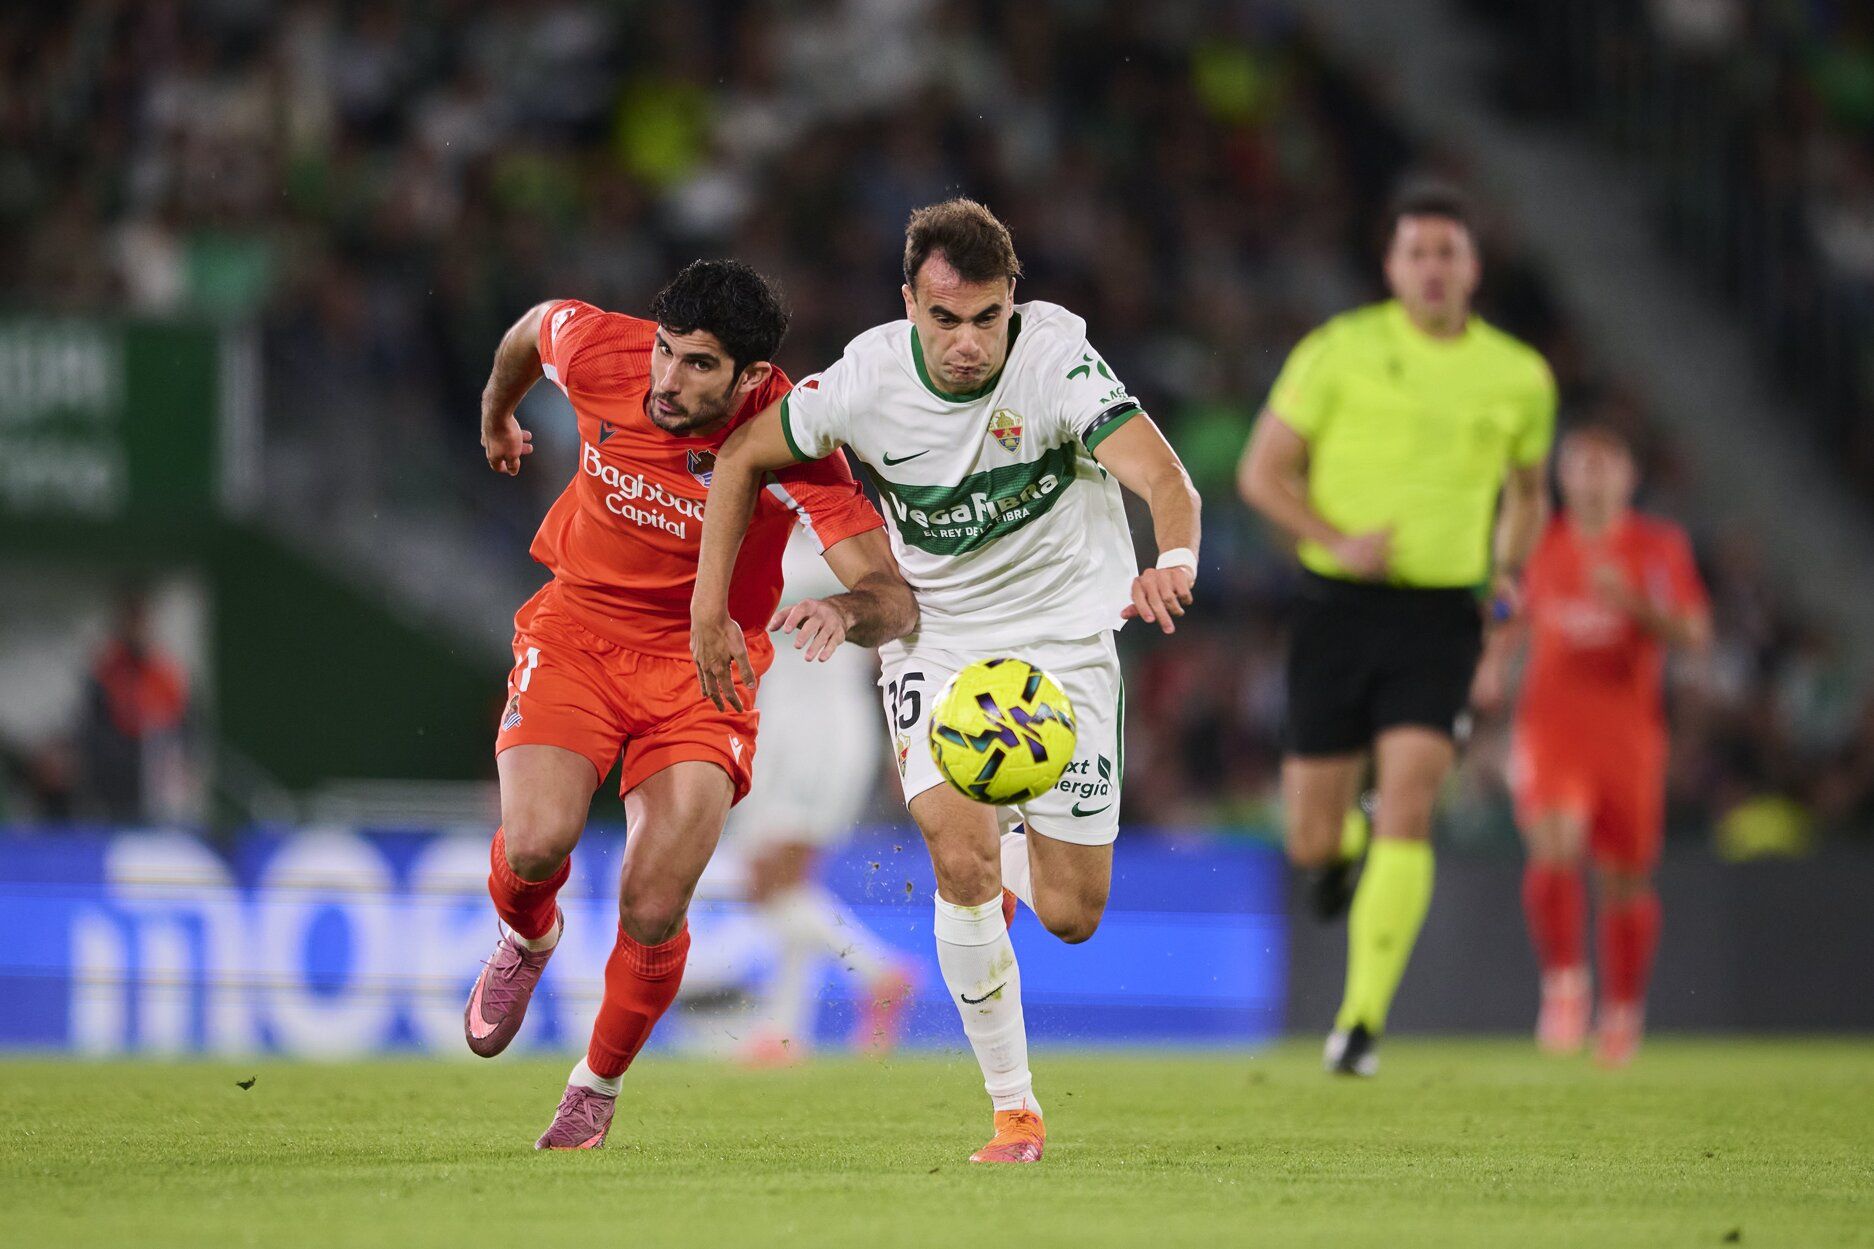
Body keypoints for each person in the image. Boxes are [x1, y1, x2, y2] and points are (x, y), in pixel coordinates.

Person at [691, 198, 1202, 1164]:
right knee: (955, 858)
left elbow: (1165, 476)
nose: (967, 343)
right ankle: (1015, 1111)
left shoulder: (1055, 362)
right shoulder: (868, 377)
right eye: (944, 318)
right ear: (909, 306)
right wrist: (708, 607)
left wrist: (1174, 557)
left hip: (1066, 647)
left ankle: (1017, 872)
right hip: (940, 643)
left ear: (1013, 304)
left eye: (986, 318)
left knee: (1072, 913)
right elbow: (743, 453)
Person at [465, 260, 916, 1149]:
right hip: (578, 634)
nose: (666, 381)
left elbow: (895, 597)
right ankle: (528, 936)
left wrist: (843, 608)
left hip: (701, 676)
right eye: (665, 353)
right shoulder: (606, 351)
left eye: (697, 365)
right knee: (535, 842)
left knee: (654, 901)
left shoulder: (796, 442)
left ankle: (594, 1087)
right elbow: (531, 327)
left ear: (751, 377)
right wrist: (496, 411)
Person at [1238, 183, 1556, 1077]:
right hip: (1339, 606)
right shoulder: (1338, 351)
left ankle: (1361, 1023)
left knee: (1412, 796)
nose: (1431, 268)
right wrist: (1338, 538)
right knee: (1311, 835)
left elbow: (1529, 493)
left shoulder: (1518, 376)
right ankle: (1338, 851)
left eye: (1447, 253)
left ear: (1473, 269)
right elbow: (1264, 474)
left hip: (1442, 614)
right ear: (1391, 267)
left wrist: (1506, 574)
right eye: (1416, 252)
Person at [1473, 425, 1710, 1067]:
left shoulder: (1658, 547)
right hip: (1552, 726)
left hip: (1630, 735)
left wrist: (1636, 606)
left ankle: (1624, 1012)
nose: (1592, 478)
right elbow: (1506, 609)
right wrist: (1492, 662)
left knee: (1624, 879)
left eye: (1605, 466)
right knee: (1553, 842)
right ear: (1564, 478)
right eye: (1580, 466)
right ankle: (1565, 988)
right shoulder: (1542, 546)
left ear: (1629, 477)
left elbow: (1694, 634)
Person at [726, 525, 917, 1065]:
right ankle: (784, 1032)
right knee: (785, 883)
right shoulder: (751, 532)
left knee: (765, 882)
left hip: (823, 724)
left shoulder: (852, 539)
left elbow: (898, 626)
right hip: (775, 721)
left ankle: (878, 972)